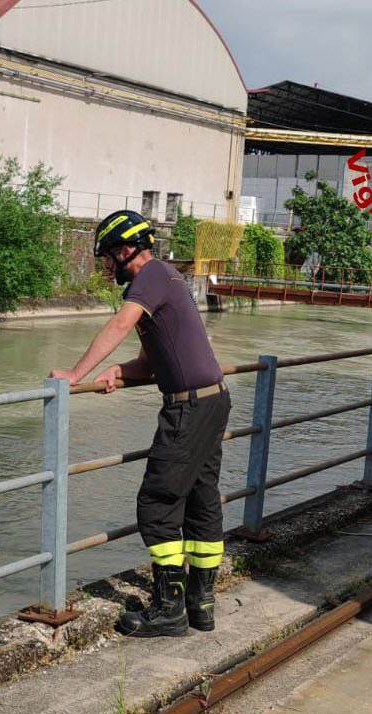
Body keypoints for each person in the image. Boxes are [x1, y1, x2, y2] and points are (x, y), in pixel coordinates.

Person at [49, 210, 230, 638]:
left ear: (127, 249)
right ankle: (200, 602)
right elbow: (158, 358)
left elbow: (119, 324)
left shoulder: (149, 276)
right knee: (202, 502)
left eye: (109, 255)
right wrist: (121, 372)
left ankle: (169, 610)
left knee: (157, 502)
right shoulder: (167, 279)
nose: (107, 264)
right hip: (212, 401)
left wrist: (75, 375)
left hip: (188, 409)